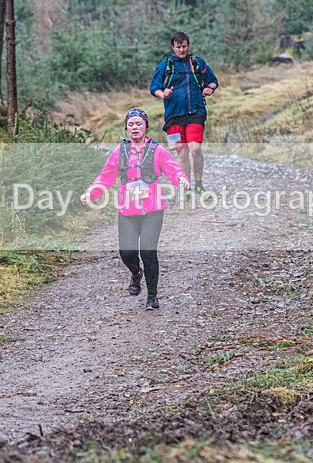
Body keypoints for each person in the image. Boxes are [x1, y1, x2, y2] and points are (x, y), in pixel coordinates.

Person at [81, 108, 190, 310]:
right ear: (126, 127)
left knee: (148, 252)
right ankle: (135, 273)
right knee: (127, 252)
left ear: (146, 126)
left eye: (138, 123)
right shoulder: (119, 151)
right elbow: (105, 177)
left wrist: (181, 179)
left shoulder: (157, 150)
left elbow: (173, 169)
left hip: (153, 209)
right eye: (131, 124)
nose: (134, 127)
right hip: (127, 209)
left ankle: (152, 297)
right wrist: (90, 193)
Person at [149, 31, 219, 198]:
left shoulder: (197, 62)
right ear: (173, 47)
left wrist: (210, 88)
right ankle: (185, 189)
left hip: (196, 111)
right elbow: (154, 87)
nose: (182, 50)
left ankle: (199, 185)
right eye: (178, 47)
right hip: (173, 117)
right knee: (181, 153)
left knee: (195, 148)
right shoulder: (166, 65)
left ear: (188, 45)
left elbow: (213, 81)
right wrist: (162, 94)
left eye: (184, 46)